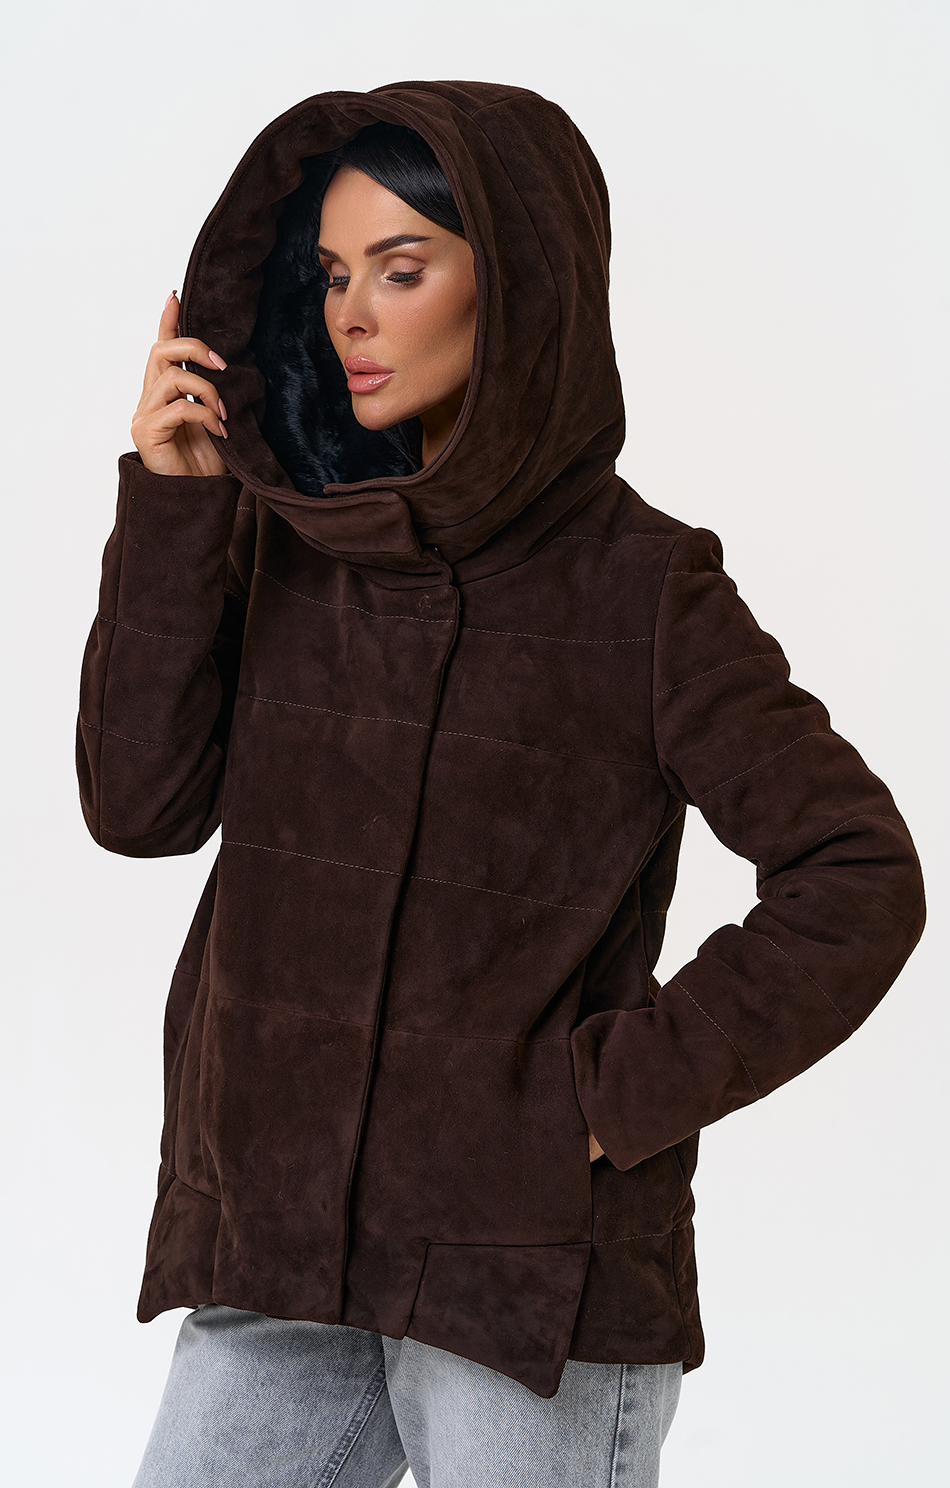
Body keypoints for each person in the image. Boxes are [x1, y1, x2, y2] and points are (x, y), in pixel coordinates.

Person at [76, 80, 926, 1487]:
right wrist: (176, 507)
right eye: (331, 274)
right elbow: (138, 808)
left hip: (524, 1279)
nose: (351, 315)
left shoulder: (645, 588)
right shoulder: (290, 542)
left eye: (401, 271)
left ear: (517, 288)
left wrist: (596, 1102)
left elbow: (857, 876)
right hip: (278, 1241)